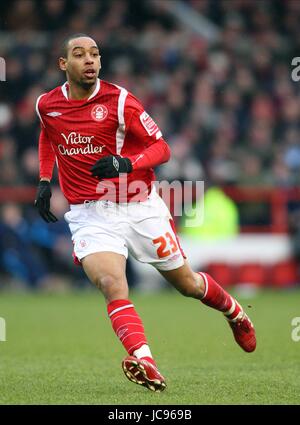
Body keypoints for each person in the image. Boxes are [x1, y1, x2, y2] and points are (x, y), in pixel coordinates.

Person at [34, 34, 256, 393]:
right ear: (64, 64)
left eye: (95, 54)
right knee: (110, 282)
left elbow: (163, 147)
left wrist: (126, 162)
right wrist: (45, 179)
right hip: (90, 212)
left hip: (137, 202)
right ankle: (145, 360)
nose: (89, 61)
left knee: (187, 284)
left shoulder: (120, 101)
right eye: (79, 55)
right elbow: (49, 134)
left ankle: (235, 312)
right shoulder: (46, 104)